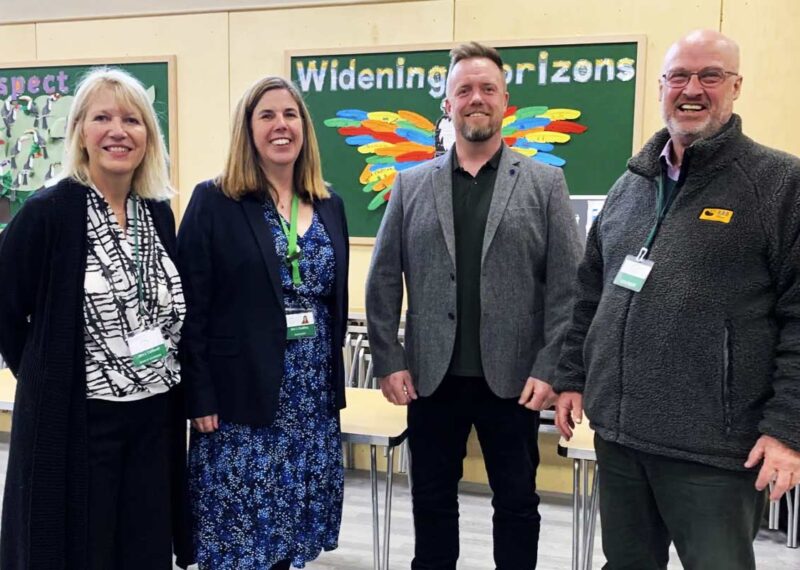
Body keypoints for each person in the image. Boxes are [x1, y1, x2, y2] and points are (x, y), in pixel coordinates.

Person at [553, 29, 800, 570]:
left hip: (713, 451)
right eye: (679, 77)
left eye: (710, 75)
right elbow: (589, 294)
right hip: (620, 438)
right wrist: (572, 377)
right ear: (662, 86)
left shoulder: (780, 183)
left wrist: (787, 429)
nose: (693, 89)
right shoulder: (631, 184)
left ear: (736, 87)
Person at [365, 42, 582, 569]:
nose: (476, 99)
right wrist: (389, 360)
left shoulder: (544, 183)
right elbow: (382, 279)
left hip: (515, 380)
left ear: (505, 100)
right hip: (430, 377)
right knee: (431, 502)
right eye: (464, 89)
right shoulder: (411, 185)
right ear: (448, 103)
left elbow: (567, 288)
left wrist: (551, 368)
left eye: (487, 88)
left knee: (516, 503)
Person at [0, 68, 192, 569]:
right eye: (102, 117)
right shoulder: (48, 213)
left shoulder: (156, 213)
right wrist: (45, 374)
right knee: (83, 551)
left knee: (145, 550)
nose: (117, 131)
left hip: (154, 418)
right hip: (80, 423)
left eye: (132, 119)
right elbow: (4, 306)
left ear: (148, 136)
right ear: (80, 132)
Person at [178, 76, 349, 570]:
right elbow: (191, 307)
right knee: (238, 540)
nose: (281, 125)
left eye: (290, 115)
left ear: (304, 128)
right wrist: (200, 394)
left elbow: (331, 301)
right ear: (247, 130)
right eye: (267, 115)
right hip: (239, 406)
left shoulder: (329, 204)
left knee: (290, 539)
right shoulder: (216, 201)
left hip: (309, 404)